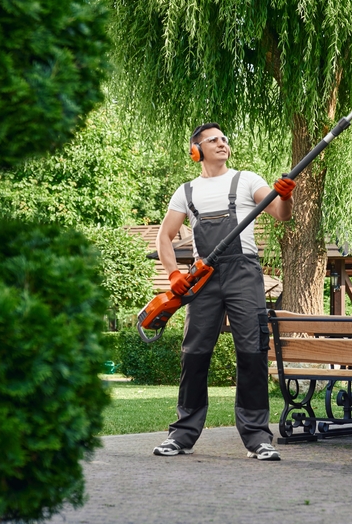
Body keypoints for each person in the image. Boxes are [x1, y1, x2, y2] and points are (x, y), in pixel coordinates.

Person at [152, 122, 295, 461]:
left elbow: (280, 214)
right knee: (194, 353)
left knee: (252, 350)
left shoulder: (247, 180)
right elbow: (164, 238)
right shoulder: (185, 192)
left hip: (243, 272)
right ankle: (182, 435)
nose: (222, 143)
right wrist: (174, 274)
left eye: (224, 139)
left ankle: (258, 437)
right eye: (212, 140)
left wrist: (285, 196)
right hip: (204, 278)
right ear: (195, 151)